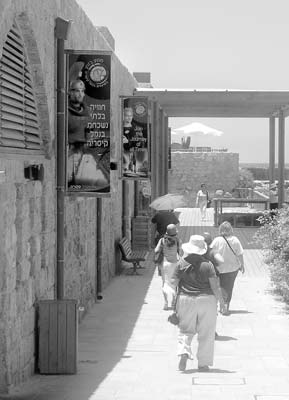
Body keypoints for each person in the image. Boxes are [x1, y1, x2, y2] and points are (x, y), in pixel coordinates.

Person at [171, 235, 225, 372]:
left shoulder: (181, 263)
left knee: (185, 330)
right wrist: (222, 303)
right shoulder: (208, 265)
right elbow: (215, 287)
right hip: (207, 300)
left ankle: (184, 351)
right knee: (206, 332)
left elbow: (173, 285)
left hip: (185, 299)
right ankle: (203, 364)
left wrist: (173, 304)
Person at [210, 221, 245, 316]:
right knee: (228, 287)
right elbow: (240, 254)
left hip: (218, 267)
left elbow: (211, 252)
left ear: (221, 230)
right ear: (231, 230)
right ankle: (225, 305)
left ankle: (219, 305)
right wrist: (242, 265)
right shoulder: (235, 240)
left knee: (219, 286)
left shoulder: (217, 240)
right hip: (232, 268)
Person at [154, 224, 182, 310]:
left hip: (164, 264)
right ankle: (173, 303)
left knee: (164, 283)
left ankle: (165, 303)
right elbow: (180, 253)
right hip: (174, 263)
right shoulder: (177, 240)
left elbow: (156, 250)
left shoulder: (162, 240)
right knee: (174, 283)